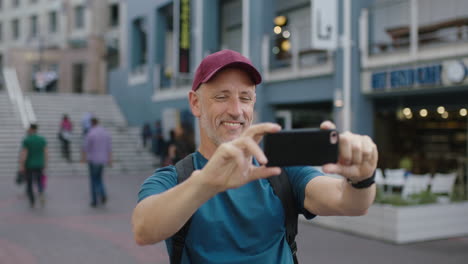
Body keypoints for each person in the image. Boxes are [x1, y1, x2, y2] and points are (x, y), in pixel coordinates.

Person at [132, 50, 378, 263]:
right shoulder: (173, 179)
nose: (236, 110)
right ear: (195, 103)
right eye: (221, 96)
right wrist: (206, 182)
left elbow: (349, 203)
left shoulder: (281, 172)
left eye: (245, 98)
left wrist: (363, 177)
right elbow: (144, 229)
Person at [81, 117, 112, 208]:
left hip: (93, 160)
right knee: (99, 178)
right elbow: (109, 148)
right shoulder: (105, 133)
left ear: (91, 123)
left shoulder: (90, 133)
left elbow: (85, 147)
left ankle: (94, 200)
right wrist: (110, 159)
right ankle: (102, 193)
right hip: (103, 160)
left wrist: (83, 158)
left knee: (93, 180)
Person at [19, 124, 48, 208]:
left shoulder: (27, 140)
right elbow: (46, 152)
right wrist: (45, 163)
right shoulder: (42, 139)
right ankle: (41, 193)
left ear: (31, 129)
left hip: (29, 165)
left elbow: (24, 153)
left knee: (29, 183)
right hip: (39, 164)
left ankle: (32, 201)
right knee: (39, 181)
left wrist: (22, 165)